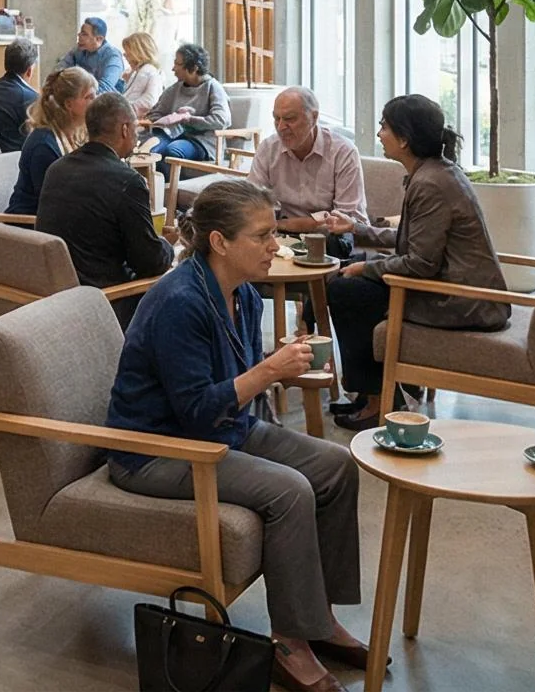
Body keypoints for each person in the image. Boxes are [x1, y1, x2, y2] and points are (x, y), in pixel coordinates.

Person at [106, 182, 367, 692]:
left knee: (337, 466)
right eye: (264, 235)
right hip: (157, 449)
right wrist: (270, 370)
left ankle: (319, 619)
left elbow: (236, 388)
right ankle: (290, 641)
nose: (276, 245)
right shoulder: (181, 302)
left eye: (275, 232)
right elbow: (199, 411)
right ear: (220, 242)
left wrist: (282, 368)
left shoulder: (243, 294)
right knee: (290, 490)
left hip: (225, 431)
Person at [322, 95, 507, 431]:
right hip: (456, 287)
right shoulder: (437, 172)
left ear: (404, 139)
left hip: (458, 301)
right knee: (345, 273)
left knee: (346, 291)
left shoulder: (430, 184)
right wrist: (357, 229)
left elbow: (420, 262)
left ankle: (378, 400)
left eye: (384, 127)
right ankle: (375, 391)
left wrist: (366, 269)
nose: (379, 134)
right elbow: (415, 240)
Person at [34, 93, 176, 323]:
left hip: (57, 292)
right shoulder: (127, 181)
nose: (137, 135)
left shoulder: (58, 168)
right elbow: (150, 263)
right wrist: (167, 245)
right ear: (124, 129)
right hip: (106, 301)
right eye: (136, 129)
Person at [251, 87, 368, 245]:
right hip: (281, 234)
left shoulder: (342, 151)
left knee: (335, 239)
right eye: (276, 119)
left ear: (314, 117)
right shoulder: (268, 148)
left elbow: (346, 219)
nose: (281, 127)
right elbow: (252, 201)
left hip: (329, 237)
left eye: (290, 119)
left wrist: (285, 225)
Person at [7, 66, 97, 216]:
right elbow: (52, 203)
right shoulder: (43, 146)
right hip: (30, 228)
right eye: (89, 97)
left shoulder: (74, 135)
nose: (95, 102)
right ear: (69, 104)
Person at [142, 42, 230, 164]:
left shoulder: (213, 88)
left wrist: (188, 119)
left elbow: (221, 120)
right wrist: (171, 119)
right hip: (173, 136)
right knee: (149, 149)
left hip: (202, 141)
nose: (173, 68)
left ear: (194, 68)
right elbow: (153, 114)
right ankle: (155, 182)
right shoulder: (174, 89)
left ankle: (171, 183)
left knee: (173, 150)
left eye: (177, 64)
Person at [59, 16, 126, 92]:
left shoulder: (113, 56)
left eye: (84, 34)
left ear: (99, 39)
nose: (79, 35)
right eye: (80, 32)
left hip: (107, 101)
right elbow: (60, 70)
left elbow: (105, 88)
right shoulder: (79, 49)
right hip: (84, 97)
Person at [119, 30, 171, 118]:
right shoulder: (138, 71)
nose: (124, 55)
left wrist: (124, 109)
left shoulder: (149, 71)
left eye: (127, 52)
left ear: (139, 52)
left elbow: (150, 100)